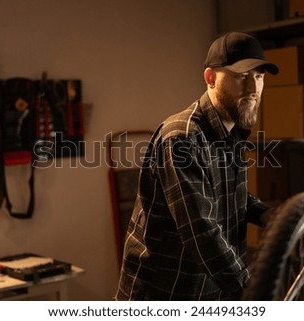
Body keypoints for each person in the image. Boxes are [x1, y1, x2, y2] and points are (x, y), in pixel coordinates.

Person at [115, 32, 279, 300]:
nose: (253, 88)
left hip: (209, 292)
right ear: (211, 78)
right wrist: (251, 290)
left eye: (259, 76)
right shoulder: (181, 138)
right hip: (165, 296)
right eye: (241, 76)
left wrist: (269, 216)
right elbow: (201, 230)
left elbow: (224, 195)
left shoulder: (233, 131)